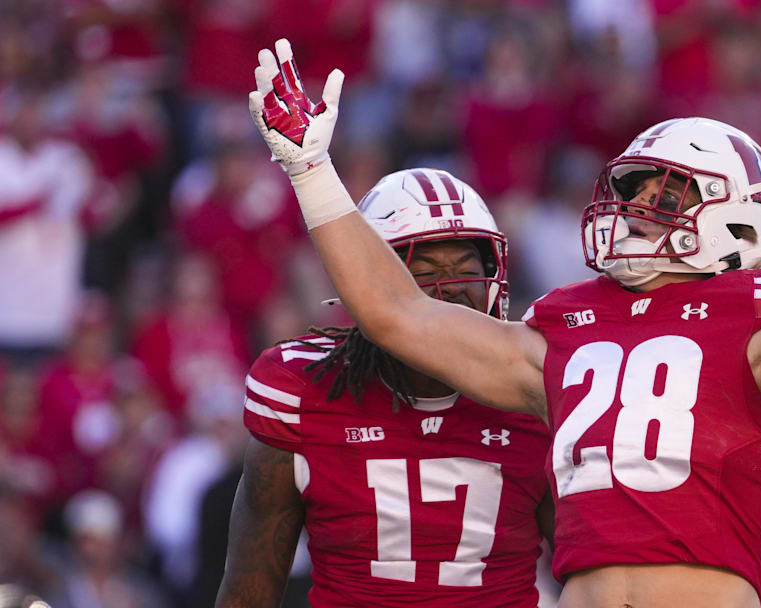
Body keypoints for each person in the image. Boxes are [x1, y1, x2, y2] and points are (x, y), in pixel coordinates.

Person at [247, 19, 761, 607]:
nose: (635, 208)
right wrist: (312, 172)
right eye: (634, 189)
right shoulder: (569, 325)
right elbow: (397, 317)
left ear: (739, 222)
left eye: (665, 193)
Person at [214, 168, 554, 607]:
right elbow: (249, 589)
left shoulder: (538, 392)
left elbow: (589, 567)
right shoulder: (303, 390)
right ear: (368, 286)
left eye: (464, 269)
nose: (448, 291)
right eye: (423, 272)